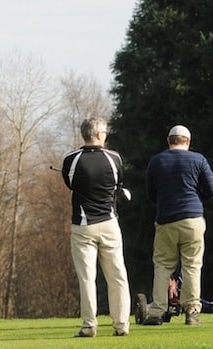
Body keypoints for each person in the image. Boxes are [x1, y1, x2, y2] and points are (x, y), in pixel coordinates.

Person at [61, 117, 131, 337]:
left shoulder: (71, 160)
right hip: (109, 224)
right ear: (100, 134)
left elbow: (70, 183)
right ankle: (121, 325)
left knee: (87, 278)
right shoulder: (114, 158)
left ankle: (89, 325)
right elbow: (118, 184)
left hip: (83, 227)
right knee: (117, 275)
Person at [142, 125, 213, 326]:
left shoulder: (156, 161)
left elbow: (151, 194)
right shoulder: (198, 160)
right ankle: (192, 311)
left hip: (166, 219)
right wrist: (195, 199)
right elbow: (212, 190)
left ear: (169, 141)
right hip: (192, 219)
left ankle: (157, 312)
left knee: (163, 265)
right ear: (188, 141)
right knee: (192, 265)